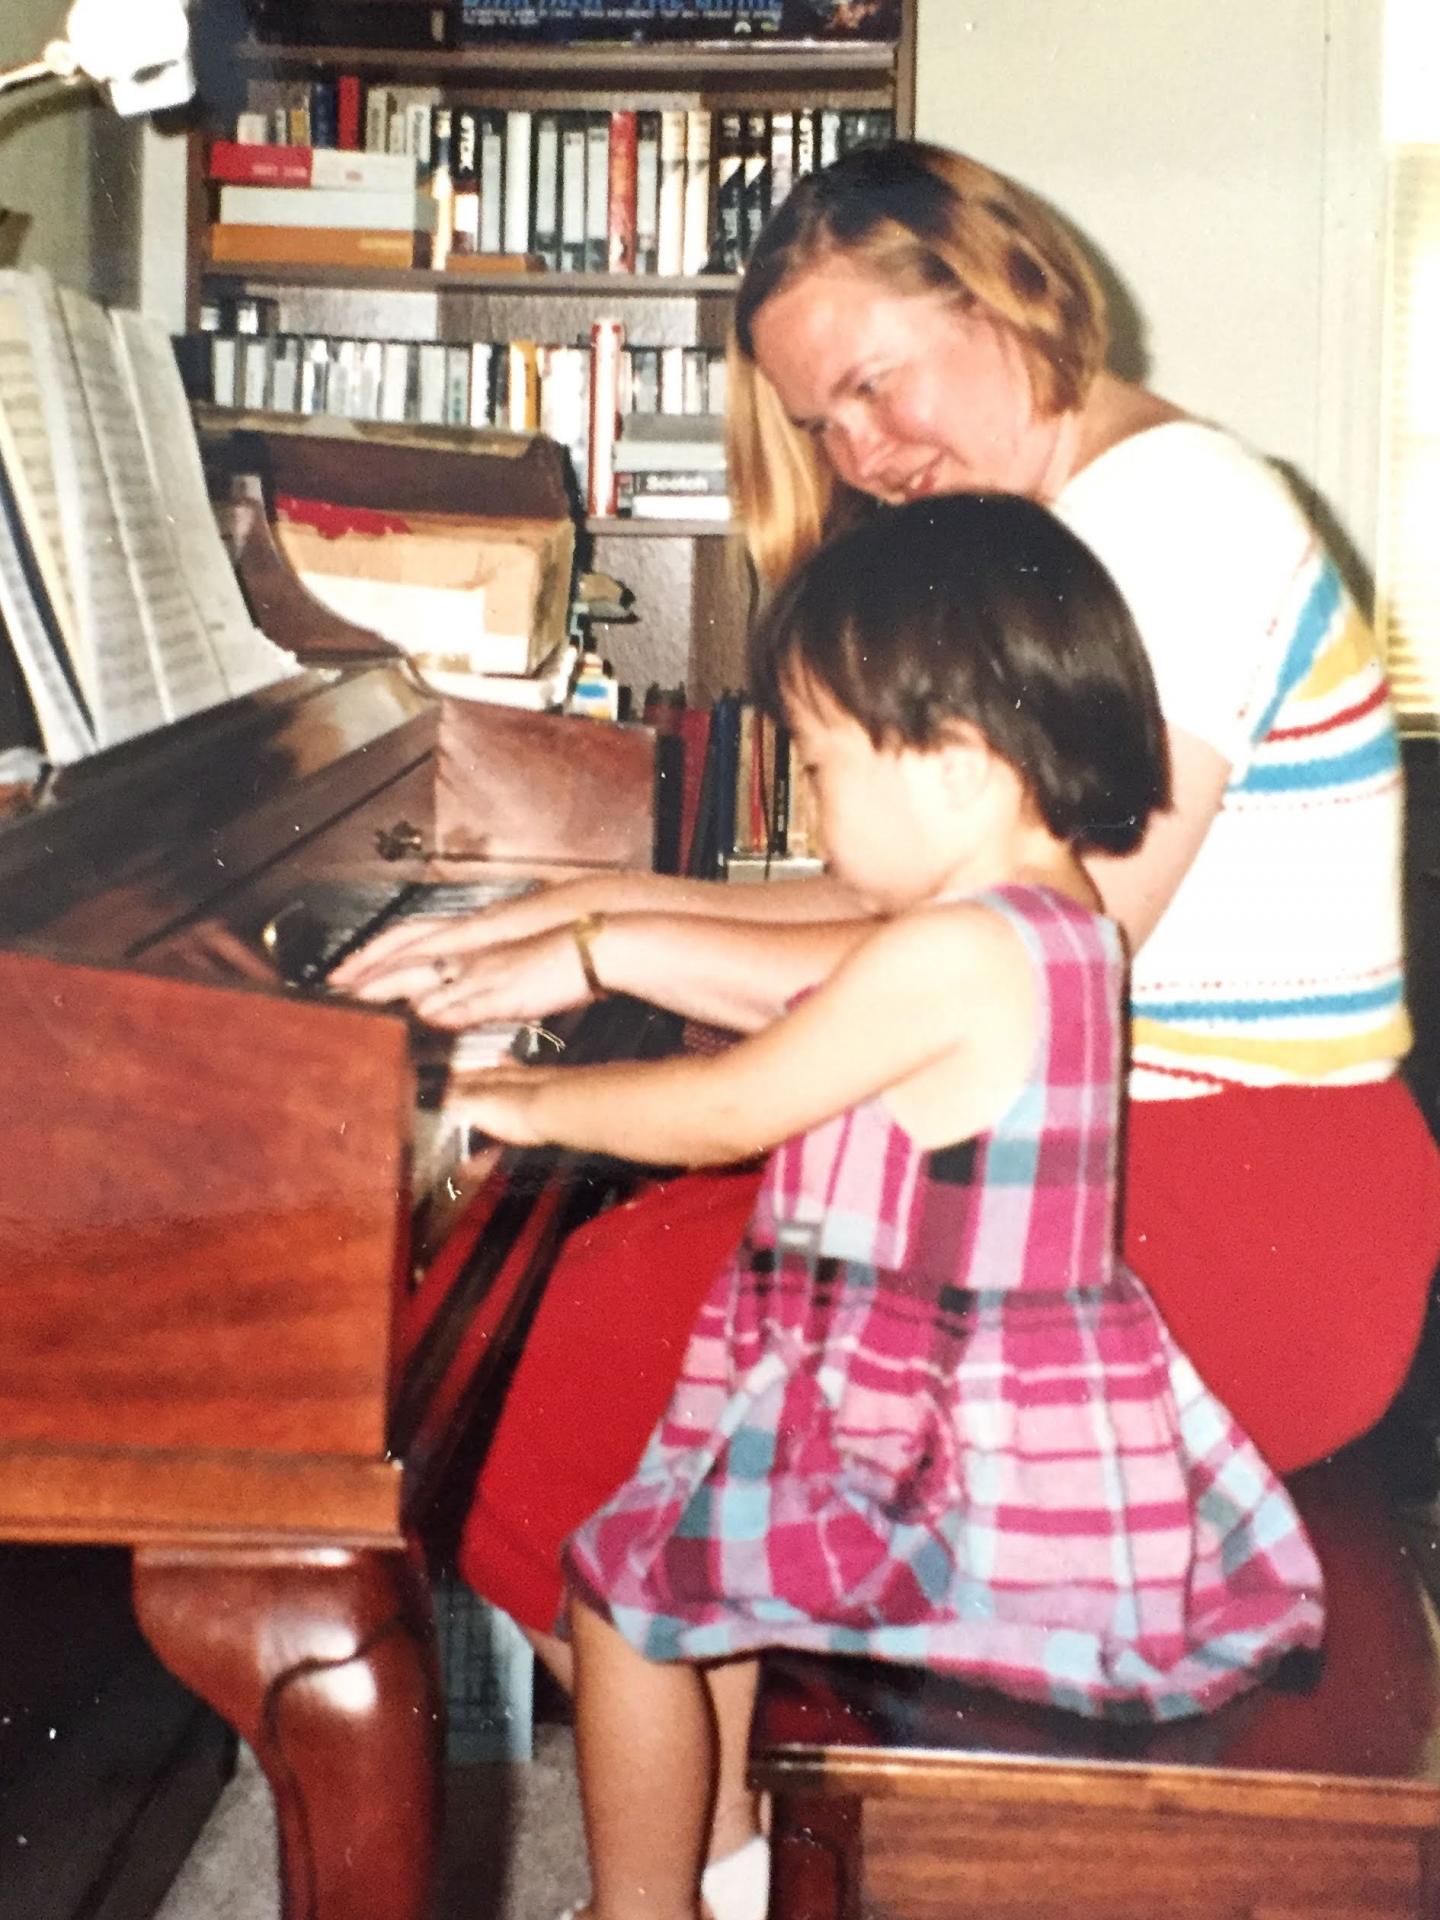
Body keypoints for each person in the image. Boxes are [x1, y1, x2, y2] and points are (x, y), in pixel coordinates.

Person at [332, 137, 1439, 1913]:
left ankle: (708, 1869)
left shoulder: (1181, 519)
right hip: (1139, 1165)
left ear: (1005, 294)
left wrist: (609, 945)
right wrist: (571, 921)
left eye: (874, 384)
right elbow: (911, 914)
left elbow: (1003, 960)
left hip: (1252, 1208)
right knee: (627, 1308)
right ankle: (736, 1862)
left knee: (585, 1333)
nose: (861, 455)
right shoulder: (1066, 530)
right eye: (820, 424)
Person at [448, 495, 1326, 1920]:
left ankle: (638, 1908)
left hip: (929, 1466)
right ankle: (723, 1881)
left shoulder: (956, 953)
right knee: (687, 1549)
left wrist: (510, 1104)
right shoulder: (1059, 927)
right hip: (938, 1421)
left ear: (962, 769)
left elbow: (728, 1109)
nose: (803, 796)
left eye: (819, 758)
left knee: (620, 1594)